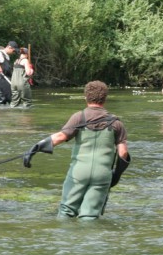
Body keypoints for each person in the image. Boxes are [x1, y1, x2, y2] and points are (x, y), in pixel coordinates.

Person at [23, 81, 130, 220]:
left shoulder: (79, 117)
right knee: (90, 215)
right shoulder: (116, 123)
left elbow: (60, 137)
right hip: (102, 173)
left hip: (79, 172)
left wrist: (35, 148)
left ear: (86, 97)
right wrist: (116, 175)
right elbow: (123, 153)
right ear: (105, 99)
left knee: (66, 211)